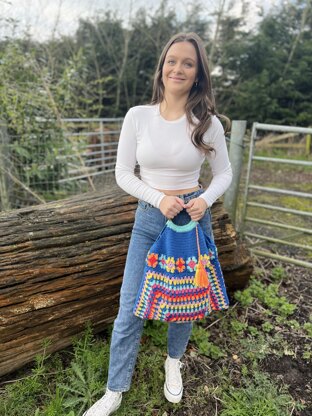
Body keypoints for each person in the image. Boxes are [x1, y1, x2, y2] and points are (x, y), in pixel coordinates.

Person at [83, 31, 233, 416]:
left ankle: (173, 361)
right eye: (172, 60)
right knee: (130, 305)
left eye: (188, 63)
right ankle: (115, 389)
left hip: (191, 221)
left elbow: (224, 174)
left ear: (198, 74)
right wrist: (159, 198)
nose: (177, 68)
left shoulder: (207, 123)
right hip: (151, 219)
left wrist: (202, 200)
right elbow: (122, 173)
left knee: (183, 302)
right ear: (161, 67)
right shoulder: (138, 116)